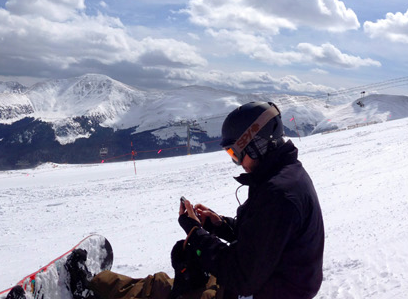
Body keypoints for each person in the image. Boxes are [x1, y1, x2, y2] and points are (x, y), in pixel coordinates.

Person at [85, 101, 325, 299]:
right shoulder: (284, 177)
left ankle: (91, 287)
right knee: (171, 284)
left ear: (255, 144)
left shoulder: (278, 194)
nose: (237, 161)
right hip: (270, 284)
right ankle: (100, 284)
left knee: (164, 293)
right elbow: (265, 238)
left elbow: (243, 278)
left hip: (260, 291)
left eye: (234, 153)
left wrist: (196, 234)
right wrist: (220, 225)